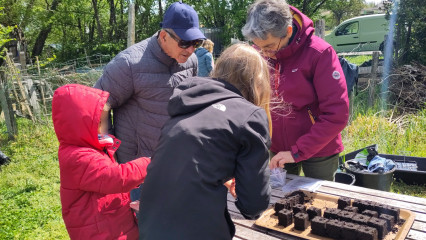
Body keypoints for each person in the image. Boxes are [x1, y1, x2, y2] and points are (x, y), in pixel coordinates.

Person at [138, 43, 272, 240]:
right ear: (258, 82)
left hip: (150, 225)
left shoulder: (186, 102)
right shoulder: (249, 115)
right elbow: (253, 204)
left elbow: (188, 159)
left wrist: (219, 171)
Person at [94, 1, 206, 201]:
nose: (190, 50)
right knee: (145, 228)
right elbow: (98, 105)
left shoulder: (192, 61)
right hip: (139, 172)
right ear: (164, 36)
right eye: (184, 43)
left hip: (178, 163)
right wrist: (109, 151)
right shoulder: (129, 64)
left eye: (196, 43)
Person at [242, 0, 349, 181]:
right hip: (276, 148)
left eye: (268, 46)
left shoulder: (319, 53)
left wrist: (298, 151)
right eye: (258, 46)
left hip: (319, 147)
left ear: (288, 32)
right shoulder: (258, 53)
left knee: (319, 200)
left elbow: (336, 113)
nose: (263, 53)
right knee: (279, 199)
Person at [51, 84, 151, 240]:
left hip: (112, 225)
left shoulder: (92, 150)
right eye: (101, 122)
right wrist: (149, 163)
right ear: (81, 125)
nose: (106, 126)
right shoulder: (78, 158)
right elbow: (117, 178)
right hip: (99, 233)